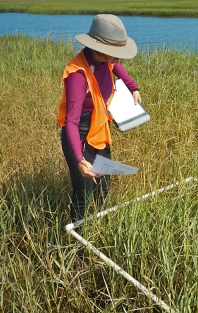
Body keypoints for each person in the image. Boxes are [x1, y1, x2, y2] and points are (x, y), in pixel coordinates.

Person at [57, 14, 141, 221]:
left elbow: (117, 67)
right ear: (99, 49)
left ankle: (101, 225)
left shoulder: (108, 60)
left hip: (99, 128)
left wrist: (133, 87)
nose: (117, 58)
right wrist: (79, 160)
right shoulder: (78, 75)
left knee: (104, 186)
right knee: (83, 192)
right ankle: (76, 237)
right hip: (80, 135)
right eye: (114, 53)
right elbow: (71, 122)